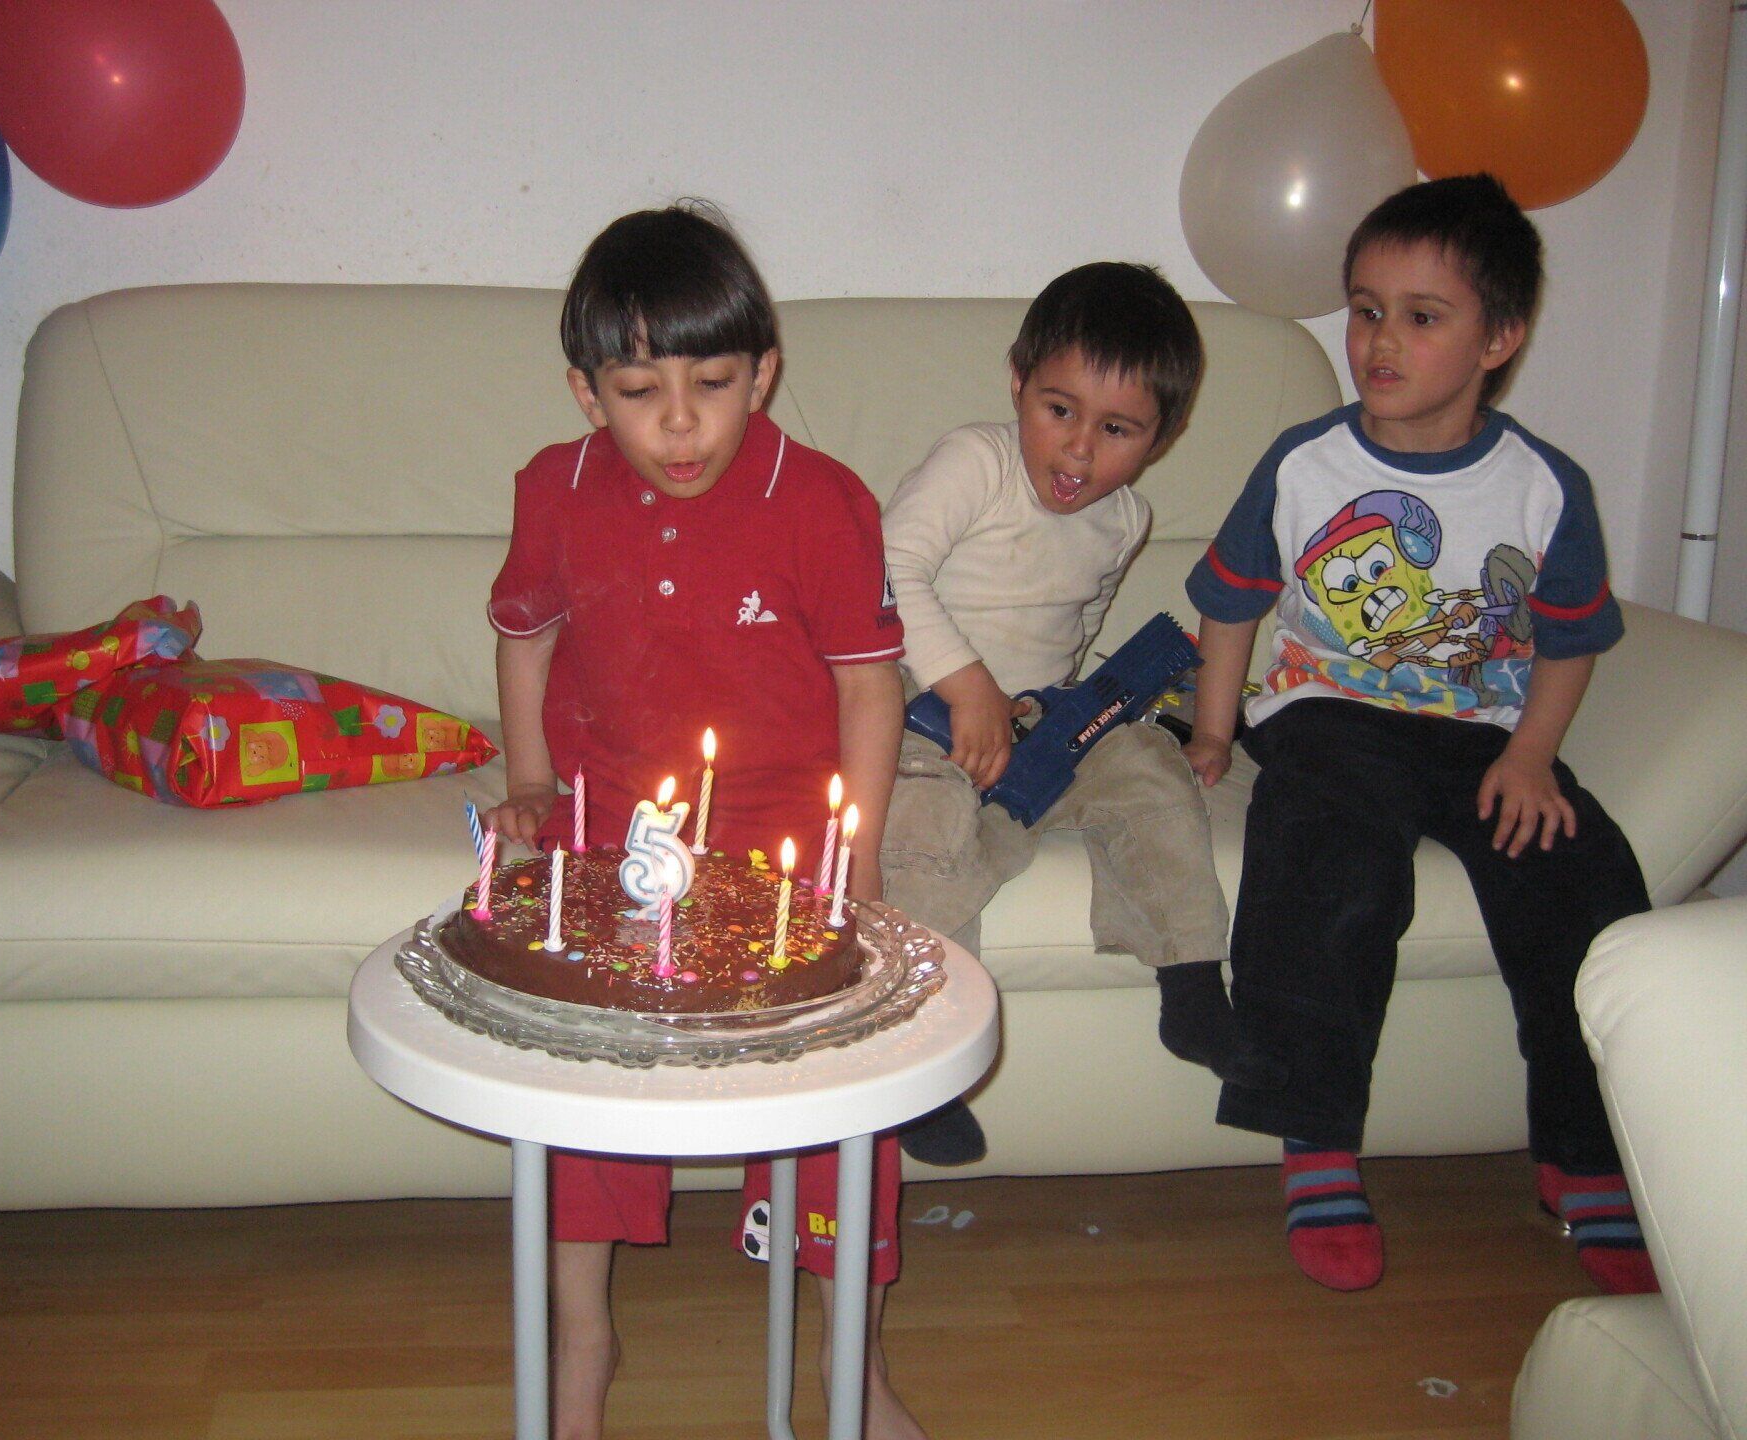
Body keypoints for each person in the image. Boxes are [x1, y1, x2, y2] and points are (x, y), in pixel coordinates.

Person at [483, 203, 924, 1439]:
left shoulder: (822, 500)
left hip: (783, 843)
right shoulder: (554, 490)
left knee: (846, 1080)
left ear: (763, 374)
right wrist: (533, 781)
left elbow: (868, 686)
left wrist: (859, 860)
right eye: (639, 392)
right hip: (615, 835)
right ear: (587, 393)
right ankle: (584, 1332)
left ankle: (849, 1356)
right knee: (578, 1065)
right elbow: (526, 641)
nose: (679, 425)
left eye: (713, 385)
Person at [1184, 174, 1658, 1296]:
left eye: (1421, 316)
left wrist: (1531, 756)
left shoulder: (1544, 486)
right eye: (1364, 309)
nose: (1379, 341)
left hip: (1482, 735)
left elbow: (1569, 640)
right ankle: (1316, 1136)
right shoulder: (1306, 462)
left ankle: (1587, 1152)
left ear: (1499, 338)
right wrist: (1214, 731)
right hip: (1327, 716)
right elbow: (1233, 601)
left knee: (1588, 880)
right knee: (1331, 860)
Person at [882, 262, 1284, 1170]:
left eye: (1116, 430)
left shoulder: (1126, 519)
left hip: (1042, 721)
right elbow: (886, 569)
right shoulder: (976, 462)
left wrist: (1086, 716)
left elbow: (1076, 623)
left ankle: (1191, 983)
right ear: (1017, 381)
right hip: (922, 710)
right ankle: (923, 1050)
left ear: (1162, 437)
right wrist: (967, 686)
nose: (1076, 451)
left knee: (1147, 767)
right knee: (921, 827)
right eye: (1058, 410)